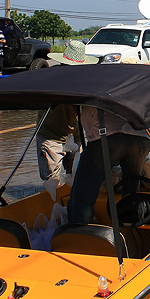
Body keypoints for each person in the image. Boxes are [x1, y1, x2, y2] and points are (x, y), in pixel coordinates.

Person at [67, 106, 150, 225]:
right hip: (142, 137)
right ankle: (131, 222)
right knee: (132, 186)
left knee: (82, 193)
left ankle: (81, 231)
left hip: (107, 135)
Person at [36, 40, 99, 199]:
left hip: (73, 135)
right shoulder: (51, 79)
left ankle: (71, 205)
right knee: (52, 181)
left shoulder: (83, 81)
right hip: (51, 135)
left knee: (75, 175)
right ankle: (55, 209)